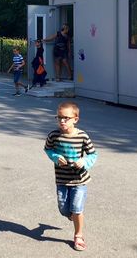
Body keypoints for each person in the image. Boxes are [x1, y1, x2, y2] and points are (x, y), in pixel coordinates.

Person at [44, 102, 98, 252]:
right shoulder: (54, 135)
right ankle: (71, 216)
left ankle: (78, 235)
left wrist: (85, 161)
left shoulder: (82, 136)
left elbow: (93, 154)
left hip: (79, 179)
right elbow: (47, 149)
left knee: (77, 208)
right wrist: (55, 157)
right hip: (61, 179)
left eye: (66, 118)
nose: (62, 121)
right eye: (59, 117)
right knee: (63, 209)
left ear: (75, 119)